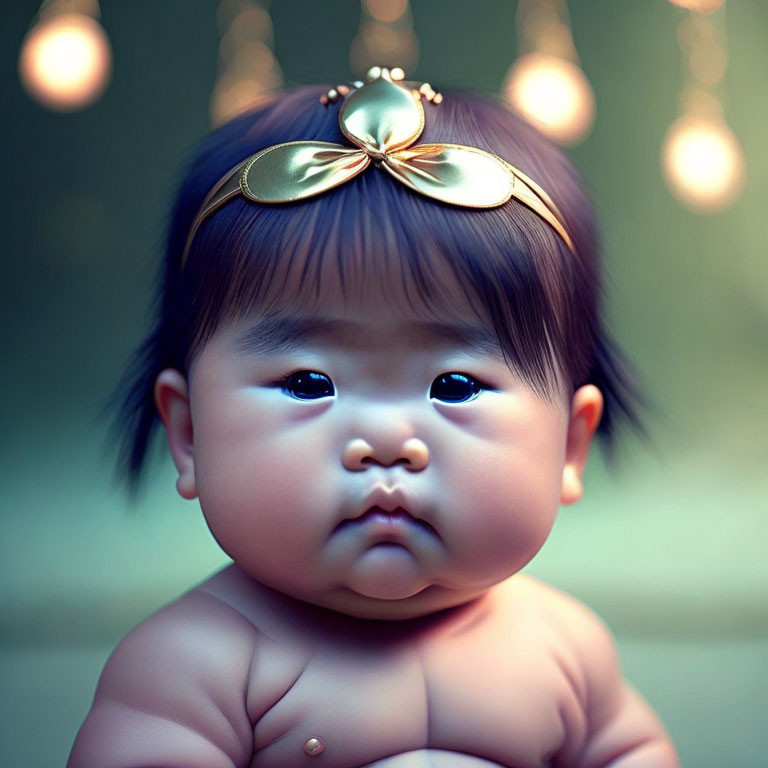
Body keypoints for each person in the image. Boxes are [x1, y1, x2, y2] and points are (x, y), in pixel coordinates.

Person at [68, 67, 680, 767]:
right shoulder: (194, 669)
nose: (386, 442)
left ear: (570, 445)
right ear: (189, 435)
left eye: (454, 385)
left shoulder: (566, 649)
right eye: (306, 382)